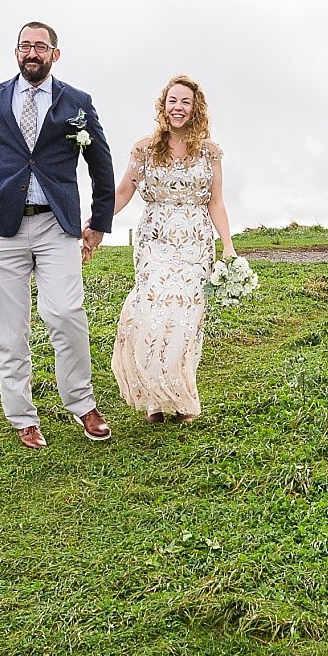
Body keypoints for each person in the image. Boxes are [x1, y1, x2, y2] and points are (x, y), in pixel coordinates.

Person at [0, 21, 117, 450]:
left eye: (40, 47)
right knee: (9, 332)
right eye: (25, 46)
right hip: (0, 230)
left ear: (54, 54)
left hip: (56, 225)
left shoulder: (77, 102)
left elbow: (101, 164)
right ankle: (23, 417)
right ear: (16, 52)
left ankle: (83, 404)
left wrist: (98, 223)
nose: (32, 52)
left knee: (66, 315)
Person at [110, 74, 235, 424]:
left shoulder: (209, 152)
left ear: (195, 109)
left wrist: (228, 247)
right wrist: (93, 222)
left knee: (185, 320)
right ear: (163, 106)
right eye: (172, 101)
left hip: (196, 243)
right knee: (150, 315)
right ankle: (154, 400)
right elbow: (123, 192)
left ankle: (181, 398)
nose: (178, 108)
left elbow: (216, 202)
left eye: (185, 102)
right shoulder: (143, 149)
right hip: (155, 242)